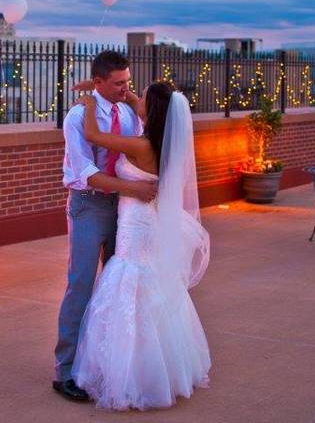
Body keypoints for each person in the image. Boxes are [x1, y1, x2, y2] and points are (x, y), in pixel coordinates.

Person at [71, 81, 211, 410]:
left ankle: (132, 376)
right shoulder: (164, 142)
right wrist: (118, 90)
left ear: (154, 109)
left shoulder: (141, 146)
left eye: (143, 96)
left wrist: (90, 103)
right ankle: (158, 369)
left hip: (136, 220)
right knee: (147, 285)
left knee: (129, 281)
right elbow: (139, 103)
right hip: (150, 217)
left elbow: (92, 135)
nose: (137, 98)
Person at [53, 51, 157, 402]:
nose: (125, 89)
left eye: (127, 82)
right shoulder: (77, 116)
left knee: (116, 291)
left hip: (124, 211)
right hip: (88, 207)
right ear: (98, 82)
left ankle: (101, 366)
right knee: (81, 285)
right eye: (118, 83)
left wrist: (128, 95)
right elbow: (86, 173)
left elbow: (142, 130)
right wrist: (135, 189)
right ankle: (65, 372)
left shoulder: (128, 111)